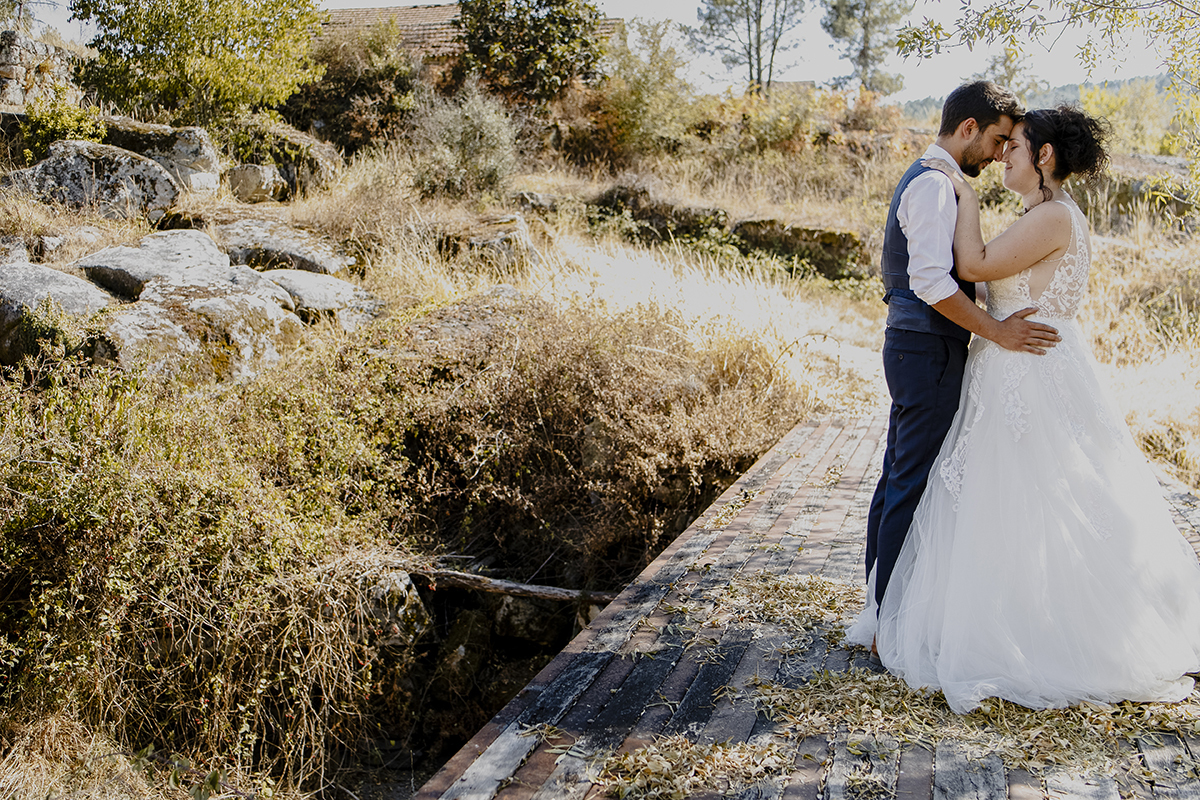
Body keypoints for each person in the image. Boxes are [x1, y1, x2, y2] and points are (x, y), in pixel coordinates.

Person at [858, 105, 1200, 713]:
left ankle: (1042, 633)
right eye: (1002, 144)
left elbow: (974, 266)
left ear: (1043, 156)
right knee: (1005, 499)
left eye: (1013, 147)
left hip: (1030, 370)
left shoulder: (1051, 217)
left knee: (1040, 494)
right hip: (1013, 364)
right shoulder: (1040, 215)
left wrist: (962, 199)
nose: (1003, 157)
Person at [861, 81, 1060, 648]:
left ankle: (881, 610)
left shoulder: (936, 180)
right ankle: (888, 621)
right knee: (911, 483)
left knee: (899, 476)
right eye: (998, 139)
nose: (1000, 153)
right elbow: (929, 282)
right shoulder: (935, 185)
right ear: (968, 128)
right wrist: (997, 331)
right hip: (926, 349)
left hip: (918, 348)